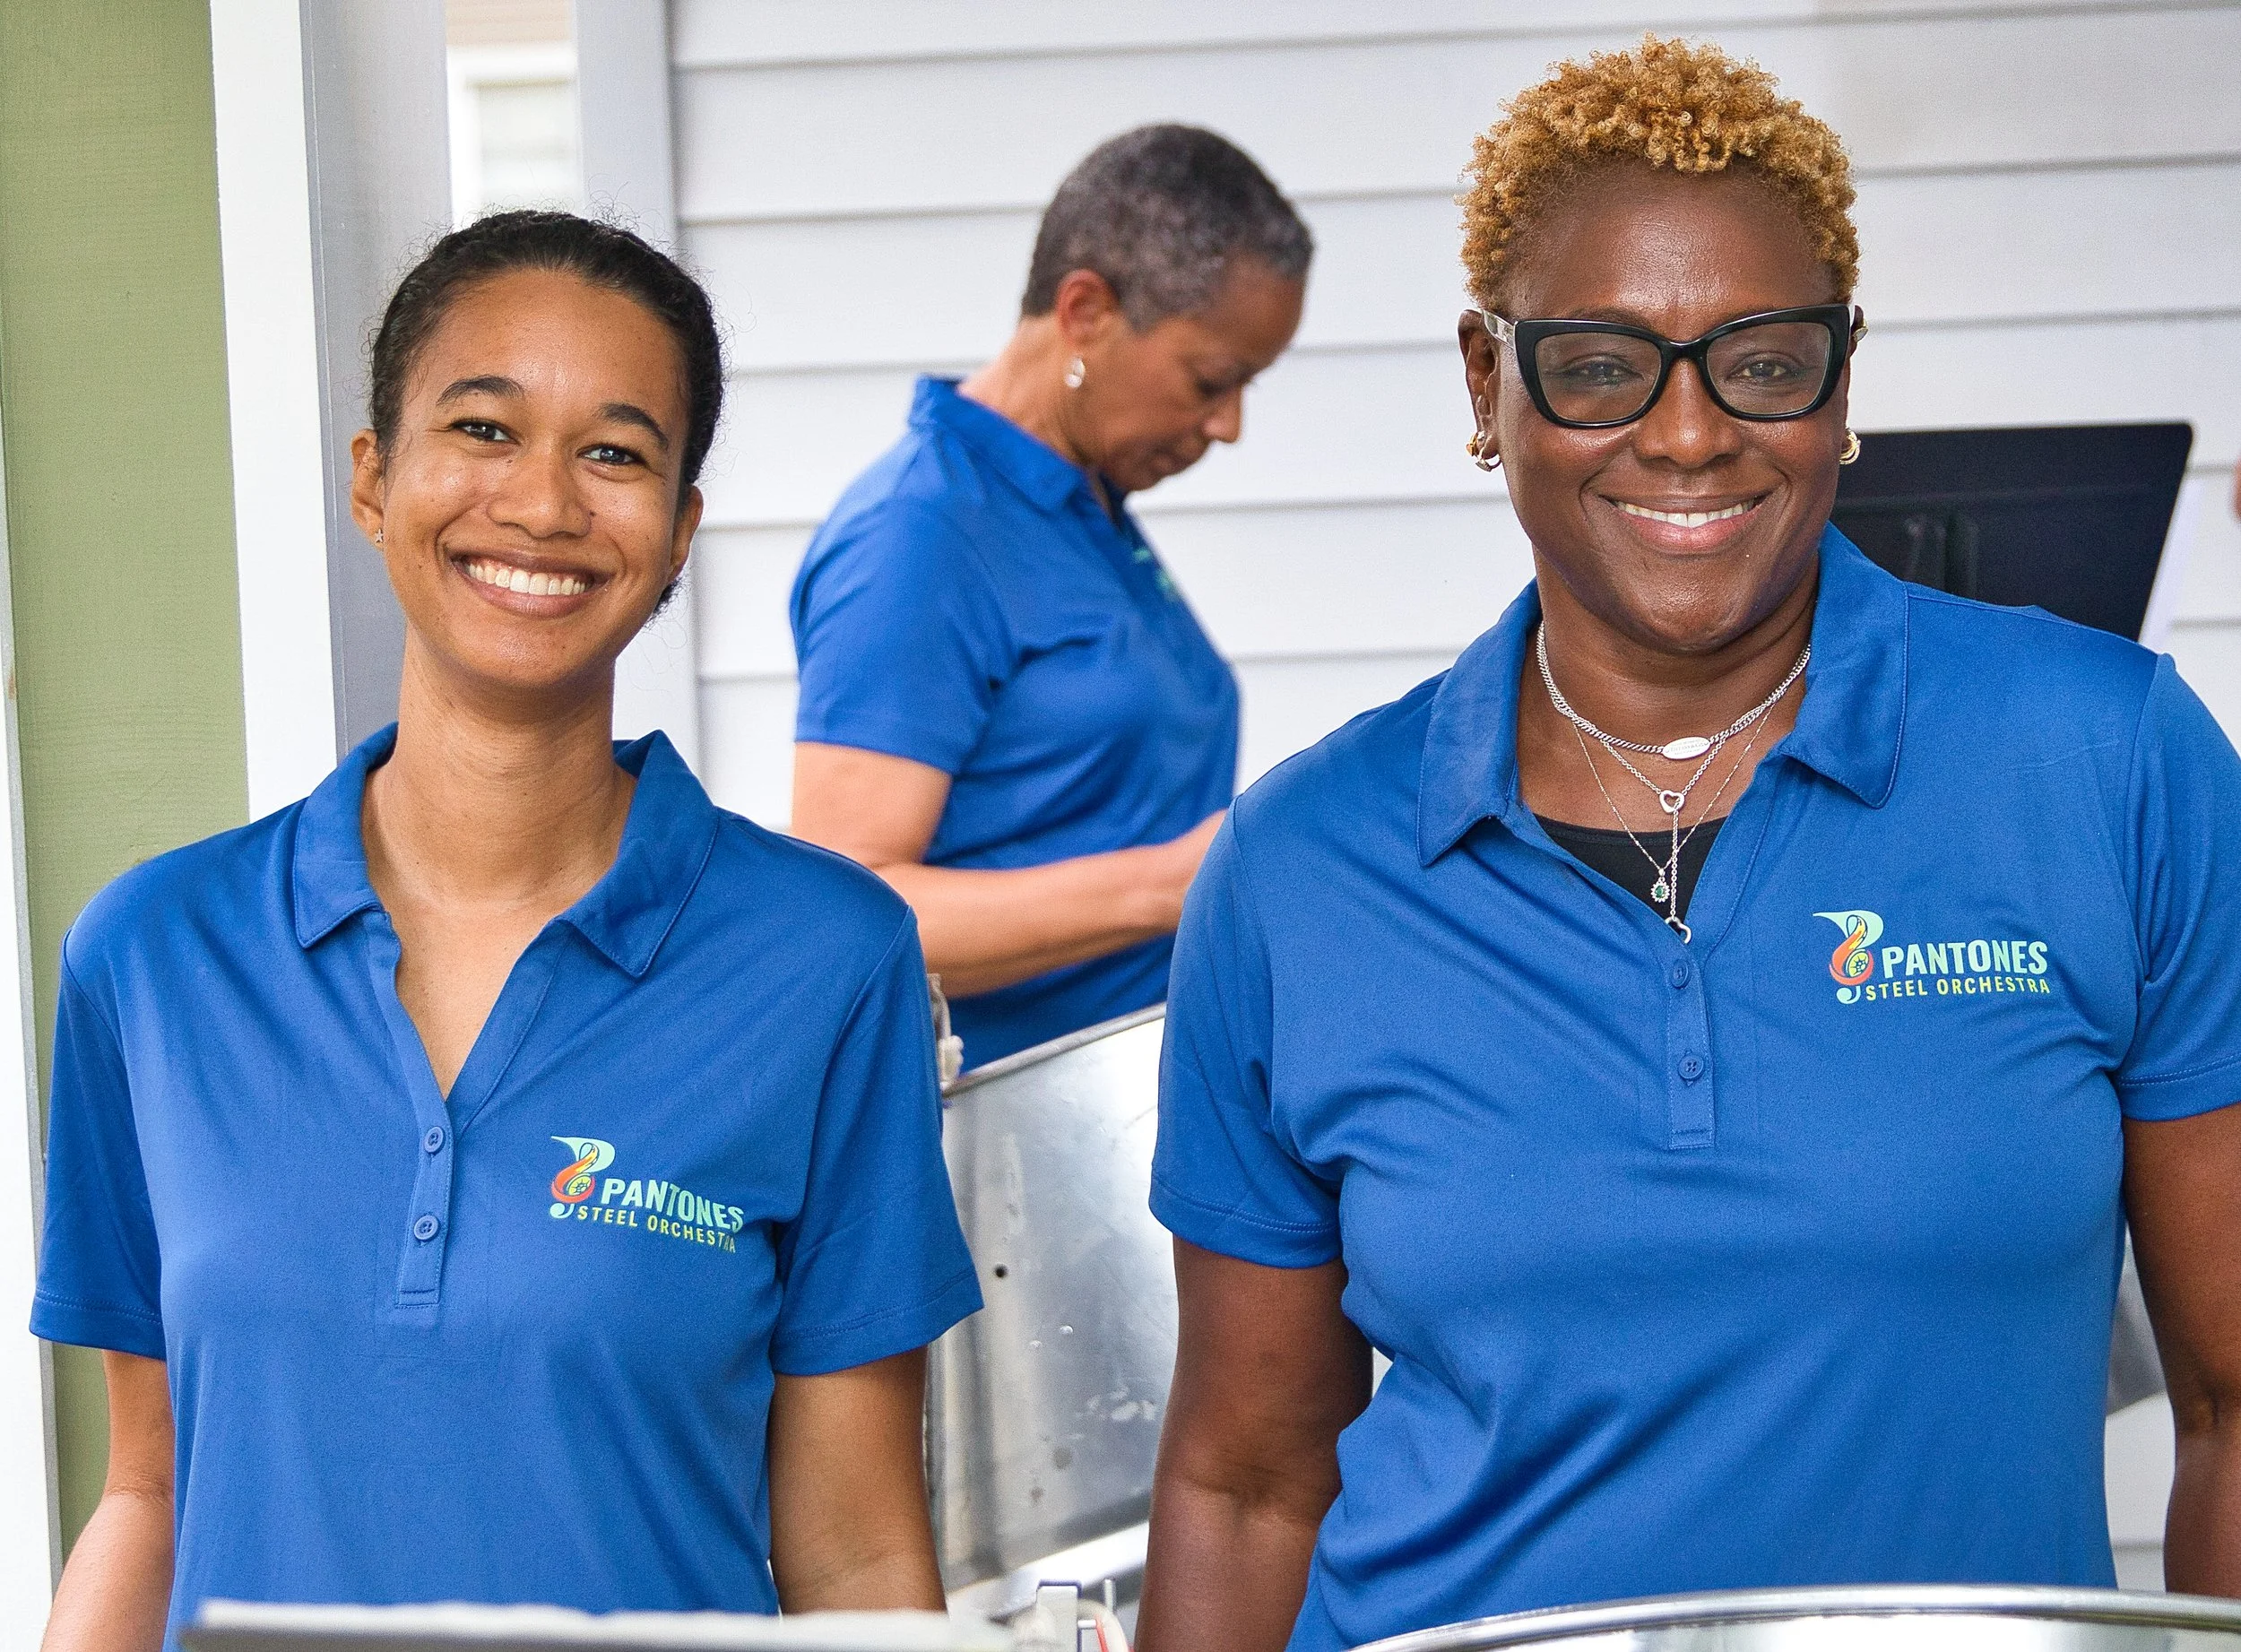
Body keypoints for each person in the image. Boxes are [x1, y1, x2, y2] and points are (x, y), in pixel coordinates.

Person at [1137, 39, 2241, 1652]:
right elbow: (1243, 1484)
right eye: (1599, 365)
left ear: (1842, 381)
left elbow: (2228, 1399)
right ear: (1483, 383)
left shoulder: (2108, 755)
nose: (1689, 433)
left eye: (1763, 360)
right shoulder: (1301, 863)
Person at [32, 212, 980, 1652]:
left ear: (678, 532)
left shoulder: (827, 959)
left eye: (614, 451)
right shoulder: (154, 954)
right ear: (375, 477)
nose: (542, 503)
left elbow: (852, 1554)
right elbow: (150, 1492)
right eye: (482, 426)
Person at [787, 125, 1310, 1068]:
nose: (1227, 425)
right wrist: (1171, 885)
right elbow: (847, 906)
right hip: (1019, 1158)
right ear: (1084, 310)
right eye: (1210, 380)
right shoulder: (921, 535)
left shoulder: (1080, 501)